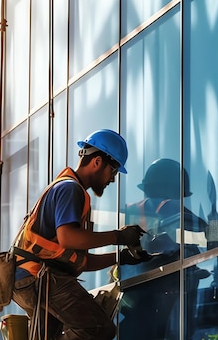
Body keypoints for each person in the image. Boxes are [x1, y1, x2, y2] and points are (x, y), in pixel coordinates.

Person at [11, 129, 151, 340]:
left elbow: (79, 261)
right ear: (97, 162)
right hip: (39, 277)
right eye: (112, 171)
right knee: (98, 328)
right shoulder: (71, 189)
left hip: (32, 278)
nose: (112, 180)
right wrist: (118, 237)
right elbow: (69, 237)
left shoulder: (67, 189)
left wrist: (119, 258)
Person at [118, 158, 209, 339]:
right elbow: (205, 230)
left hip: (131, 294)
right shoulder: (167, 205)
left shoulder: (127, 211)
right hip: (157, 291)